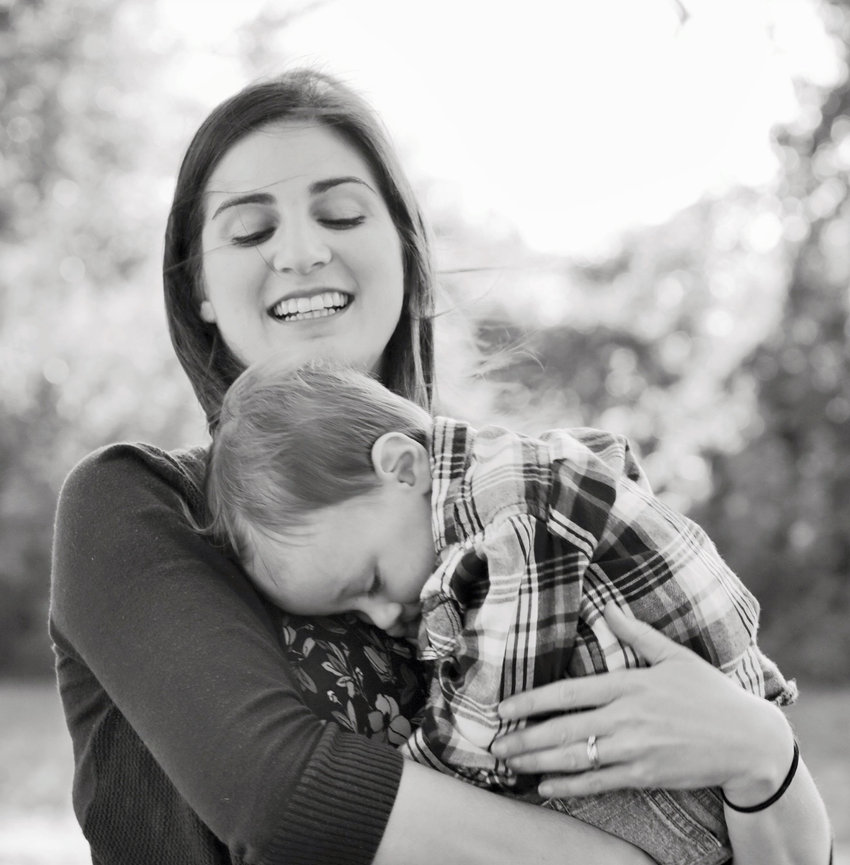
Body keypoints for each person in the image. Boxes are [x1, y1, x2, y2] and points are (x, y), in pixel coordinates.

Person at [48, 68, 834, 865]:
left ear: (404, 250)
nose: (303, 251)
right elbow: (285, 796)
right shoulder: (143, 505)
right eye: (251, 231)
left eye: (342, 214)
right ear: (200, 289)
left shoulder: (539, 501)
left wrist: (759, 750)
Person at [202, 356, 802, 865]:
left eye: (371, 582)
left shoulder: (512, 516)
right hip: (711, 764)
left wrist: (398, 786)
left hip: (677, 799)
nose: (381, 616)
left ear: (403, 468)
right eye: (355, 613)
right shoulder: (524, 464)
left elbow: (493, 724)